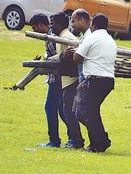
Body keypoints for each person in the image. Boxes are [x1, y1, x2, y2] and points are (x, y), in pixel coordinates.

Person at [73, 14, 117, 153]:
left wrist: (72, 52)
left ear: (94, 25)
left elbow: (77, 57)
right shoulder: (110, 40)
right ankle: (101, 140)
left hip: (95, 80)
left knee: (83, 112)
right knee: (92, 112)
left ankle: (98, 143)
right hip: (108, 80)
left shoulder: (91, 37)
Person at [30, 13, 66, 148]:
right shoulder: (50, 36)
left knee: (51, 108)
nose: (35, 31)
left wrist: (45, 62)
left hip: (56, 78)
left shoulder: (51, 37)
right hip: (56, 77)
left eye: (35, 28)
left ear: (40, 25)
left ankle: (55, 141)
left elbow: (57, 57)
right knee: (61, 110)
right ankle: (72, 137)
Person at [49, 12, 84, 149]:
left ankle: (76, 141)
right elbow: (61, 56)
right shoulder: (62, 37)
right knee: (64, 110)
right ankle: (75, 139)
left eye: (53, 24)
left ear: (59, 24)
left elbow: (71, 57)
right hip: (66, 80)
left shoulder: (67, 37)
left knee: (68, 111)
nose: (51, 26)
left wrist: (51, 59)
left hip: (71, 79)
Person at [68, 9, 92, 83]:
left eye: (73, 21)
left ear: (81, 20)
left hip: (88, 76)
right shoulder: (84, 35)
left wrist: (76, 51)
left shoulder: (90, 36)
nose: (72, 25)